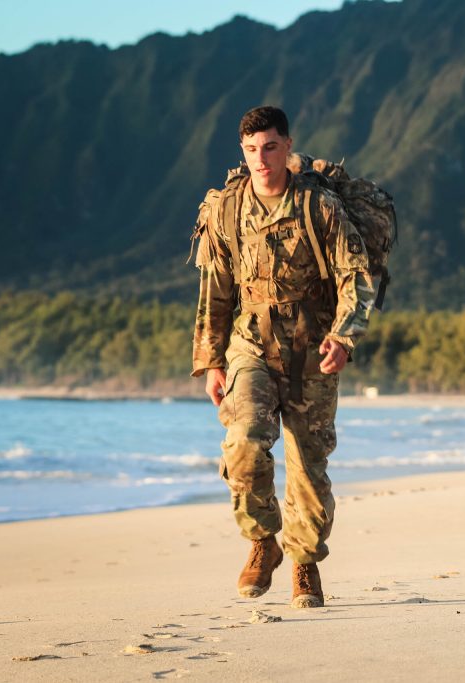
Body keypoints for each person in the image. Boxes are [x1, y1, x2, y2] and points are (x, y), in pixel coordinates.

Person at [191, 106, 375, 608]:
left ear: (287, 146)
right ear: (242, 150)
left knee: (309, 469)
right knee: (243, 442)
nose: (261, 159)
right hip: (249, 344)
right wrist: (211, 361)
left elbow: (355, 276)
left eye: (270, 147)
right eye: (252, 149)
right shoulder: (227, 209)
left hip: (312, 349)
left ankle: (305, 563)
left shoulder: (318, 207)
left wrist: (344, 337)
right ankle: (262, 541)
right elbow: (215, 289)